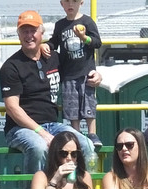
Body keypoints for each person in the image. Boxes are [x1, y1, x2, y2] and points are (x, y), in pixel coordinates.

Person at [1, 10, 97, 174]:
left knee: (86, 145)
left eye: (33, 30)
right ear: (18, 35)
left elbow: (79, 69)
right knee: (39, 148)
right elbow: (12, 108)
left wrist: (96, 74)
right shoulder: (11, 66)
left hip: (53, 125)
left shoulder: (54, 57)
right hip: (20, 128)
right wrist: (41, 133)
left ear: (42, 33)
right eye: (24, 31)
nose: (29, 35)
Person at [49, 0, 102, 146]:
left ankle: (92, 133)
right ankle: (76, 134)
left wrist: (84, 38)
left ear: (81, 2)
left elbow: (97, 42)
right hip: (68, 74)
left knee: (88, 103)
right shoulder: (60, 25)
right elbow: (55, 41)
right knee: (72, 107)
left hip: (86, 72)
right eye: (66, 1)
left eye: (74, 1)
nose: (70, 4)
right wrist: (47, 46)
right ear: (61, 4)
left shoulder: (87, 21)